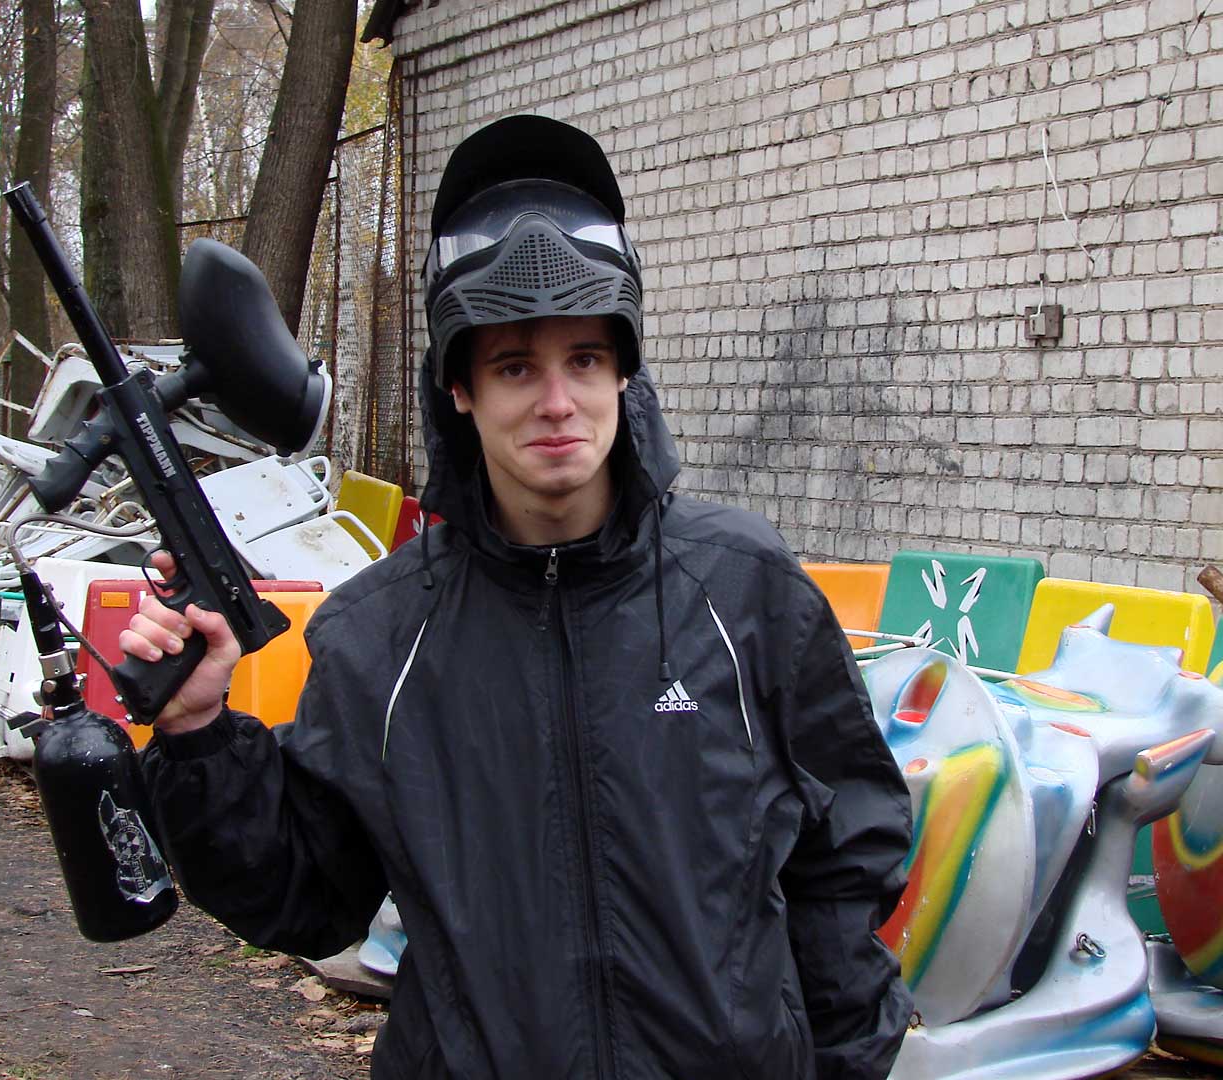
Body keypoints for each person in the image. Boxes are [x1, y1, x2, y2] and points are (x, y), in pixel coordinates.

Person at [125, 115, 913, 1080]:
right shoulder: (380, 638)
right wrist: (200, 737)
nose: (557, 402)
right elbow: (309, 898)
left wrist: (844, 1063)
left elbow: (844, 860)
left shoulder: (743, 588)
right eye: (513, 366)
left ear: (624, 372)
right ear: (460, 389)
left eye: (584, 359)